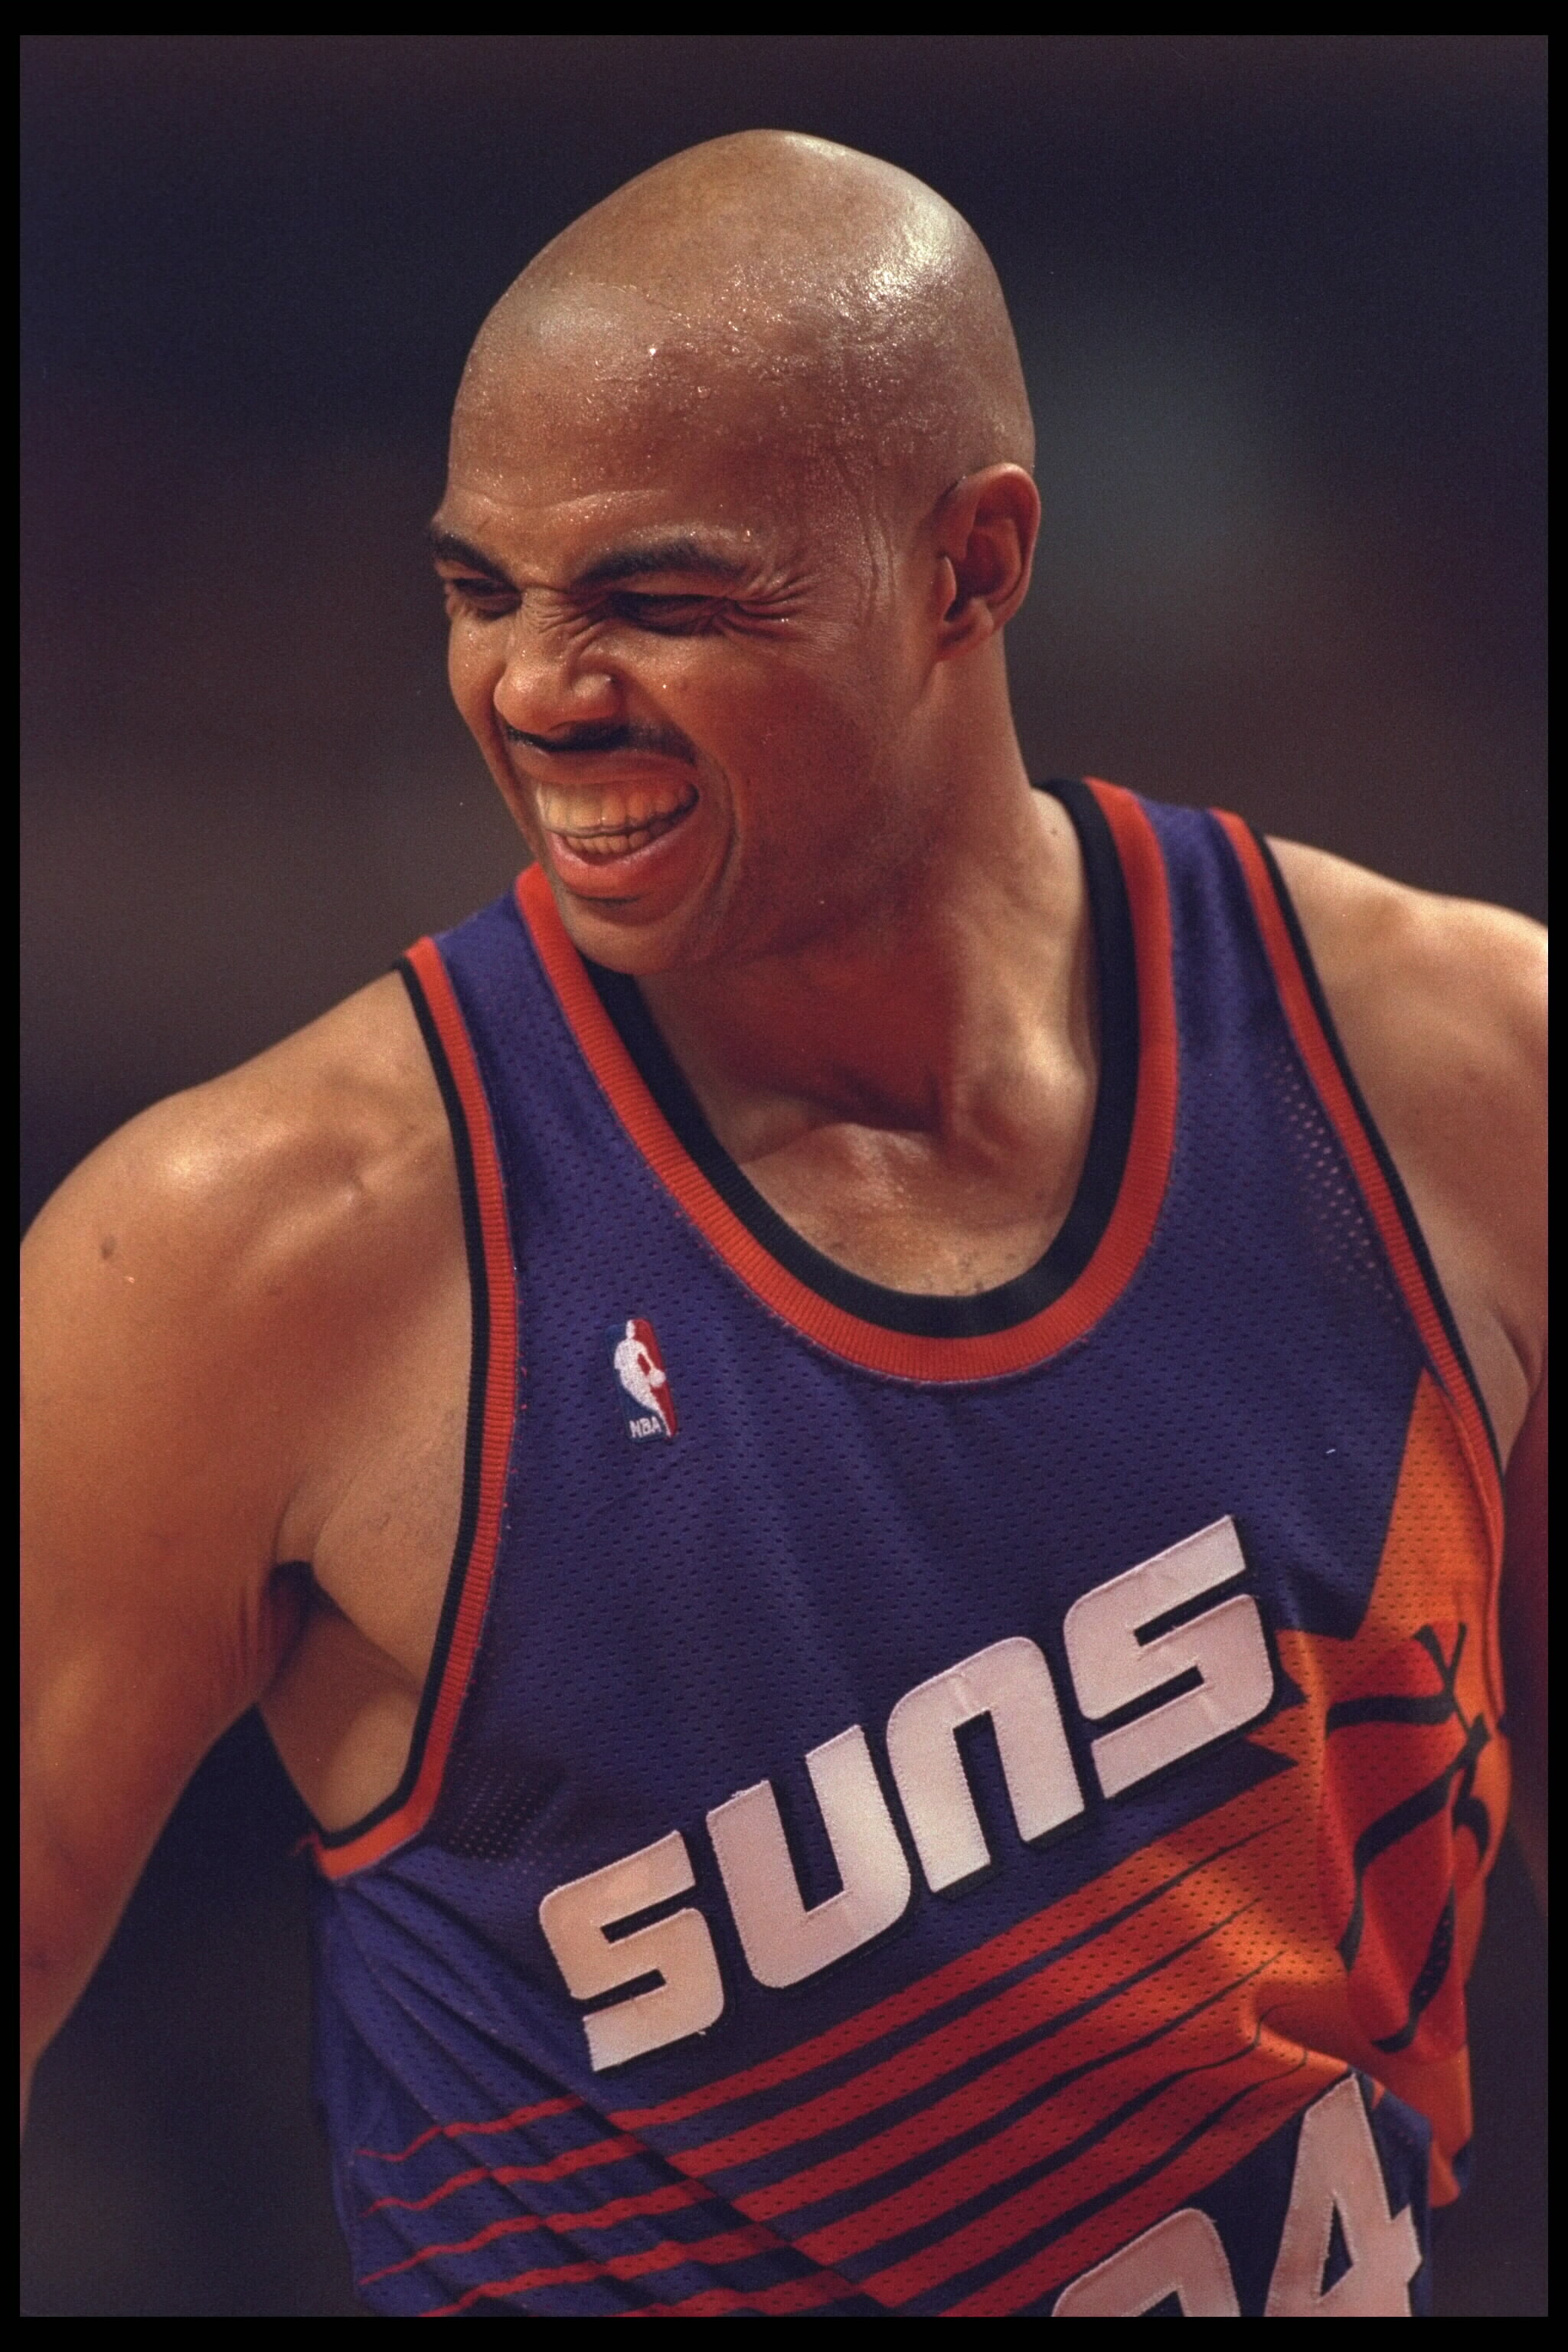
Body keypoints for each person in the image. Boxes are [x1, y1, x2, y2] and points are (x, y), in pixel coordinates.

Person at [21, 131, 1544, 2318]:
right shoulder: (246, 1252)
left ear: (972, 566)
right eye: (480, 591)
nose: (536, 688)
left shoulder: (1463, 1077)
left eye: (656, 597)